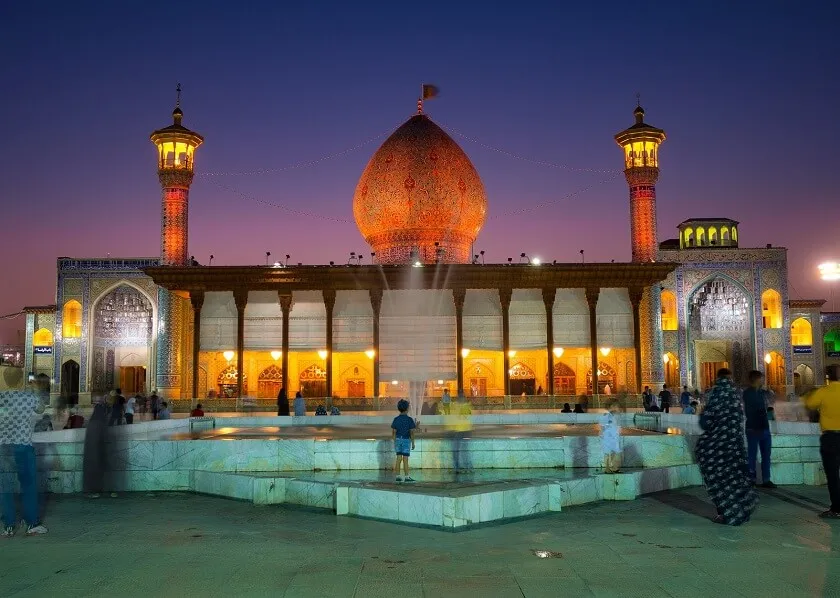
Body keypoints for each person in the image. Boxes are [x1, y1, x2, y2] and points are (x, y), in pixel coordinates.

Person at [695, 368, 758, 525]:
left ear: (718, 378)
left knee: (719, 479)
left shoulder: (715, 394)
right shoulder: (736, 396)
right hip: (735, 445)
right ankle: (743, 509)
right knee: (736, 478)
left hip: (718, 447)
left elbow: (705, 422)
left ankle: (726, 513)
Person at [0, 381, 49, 536]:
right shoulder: (28, 397)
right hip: (23, 446)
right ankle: (31, 523)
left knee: (5, 488)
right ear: (21, 381)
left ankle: (8, 526)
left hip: (3, 447)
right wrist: (36, 390)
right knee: (28, 486)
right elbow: (41, 408)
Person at [803, 365, 840, 518]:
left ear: (827, 377)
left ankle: (837, 509)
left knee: (833, 475)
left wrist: (808, 394)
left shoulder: (823, 392)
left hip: (831, 438)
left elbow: (808, 403)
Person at [743, 370, 776, 488]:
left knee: (766, 454)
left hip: (764, 428)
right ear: (756, 379)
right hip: (754, 428)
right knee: (752, 455)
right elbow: (753, 411)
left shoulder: (762, 393)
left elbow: (768, 404)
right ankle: (752, 479)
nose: (763, 380)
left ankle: (766, 479)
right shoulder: (748, 393)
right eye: (761, 378)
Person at [83, 400, 109, 498]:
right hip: (96, 454)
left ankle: (90, 490)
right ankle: (94, 491)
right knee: (95, 472)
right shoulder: (99, 423)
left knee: (91, 472)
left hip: (90, 454)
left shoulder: (92, 422)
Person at [391, 400, 416, 483]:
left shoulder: (396, 419)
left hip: (398, 440)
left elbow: (394, 432)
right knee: (405, 459)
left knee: (398, 458)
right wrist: (413, 443)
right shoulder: (409, 420)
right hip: (406, 440)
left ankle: (398, 476)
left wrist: (395, 441)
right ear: (407, 409)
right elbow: (411, 432)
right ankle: (407, 477)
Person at [447, 392, 473, 472]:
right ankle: (465, 467)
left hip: (461, 431)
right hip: (462, 431)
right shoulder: (462, 406)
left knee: (458, 451)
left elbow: (463, 418)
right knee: (462, 451)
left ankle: (461, 467)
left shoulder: (464, 407)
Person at [600, 409, 622, 473]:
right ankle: (607, 469)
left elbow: (616, 429)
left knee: (614, 453)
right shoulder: (607, 418)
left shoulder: (614, 420)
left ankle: (614, 468)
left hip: (613, 439)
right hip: (607, 438)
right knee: (607, 453)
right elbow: (603, 428)